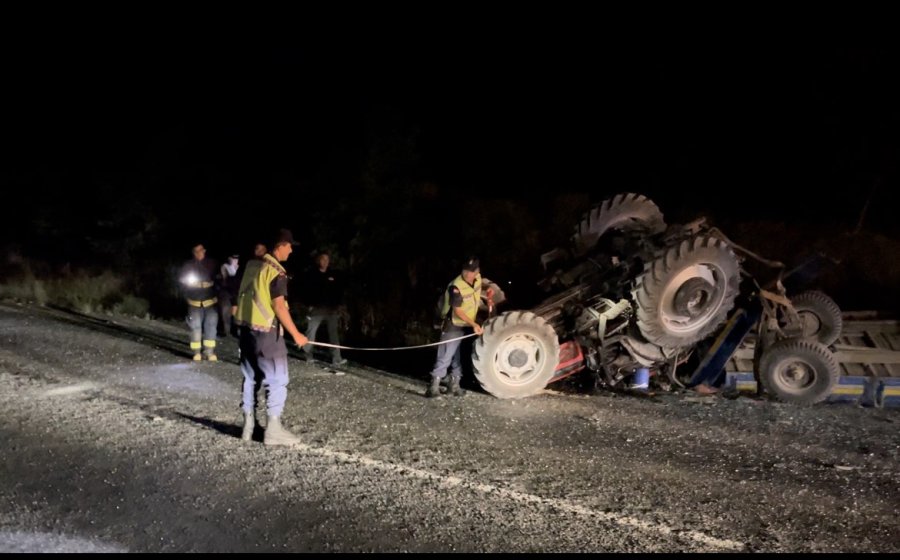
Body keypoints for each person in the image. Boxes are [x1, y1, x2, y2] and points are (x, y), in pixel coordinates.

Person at [233, 229, 308, 446]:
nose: (291, 250)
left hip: (246, 329)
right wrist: (297, 335)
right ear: (280, 245)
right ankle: (273, 430)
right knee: (277, 379)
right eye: (289, 245)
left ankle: (248, 427)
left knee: (250, 377)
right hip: (266, 333)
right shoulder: (277, 271)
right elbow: (278, 306)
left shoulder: (251, 265)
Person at [427, 256, 484, 398]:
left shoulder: (478, 280)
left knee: (456, 355)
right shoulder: (456, 286)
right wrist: (474, 324)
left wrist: (490, 293)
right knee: (446, 353)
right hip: (452, 323)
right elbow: (457, 310)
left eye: (470, 271)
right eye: (465, 270)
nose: (467, 273)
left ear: (477, 271)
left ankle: (454, 384)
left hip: (463, 324)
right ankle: (433, 386)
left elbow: (480, 289)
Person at [300, 250, 347, 366]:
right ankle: (307, 354)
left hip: (331, 309)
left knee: (333, 334)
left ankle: (336, 358)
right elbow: (306, 291)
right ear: (318, 260)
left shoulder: (332, 275)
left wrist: (338, 306)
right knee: (311, 332)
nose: (325, 262)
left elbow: (338, 291)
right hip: (316, 309)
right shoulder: (312, 274)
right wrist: (308, 306)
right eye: (323, 259)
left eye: (327, 259)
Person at [179, 243, 219, 361]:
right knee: (195, 327)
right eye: (196, 251)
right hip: (194, 301)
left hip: (210, 301)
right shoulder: (188, 265)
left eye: (200, 250)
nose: (199, 252)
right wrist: (186, 295)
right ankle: (196, 352)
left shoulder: (212, 264)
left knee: (211, 326)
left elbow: (220, 280)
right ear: (193, 252)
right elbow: (182, 283)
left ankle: (209, 352)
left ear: (204, 251)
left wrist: (218, 294)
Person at [218, 254, 240, 337]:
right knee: (225, 312)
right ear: (229, 259)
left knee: (235, 313)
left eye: (236, 258)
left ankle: (235, 331)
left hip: (236, 292)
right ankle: (225, 331)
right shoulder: (225, 266)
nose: (235, 260)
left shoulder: (239, 268)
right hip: (227, 291)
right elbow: (225, 277)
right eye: (233, 258)